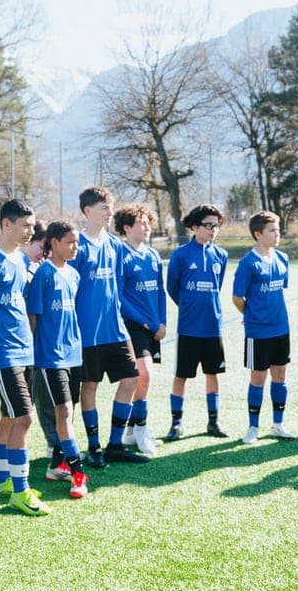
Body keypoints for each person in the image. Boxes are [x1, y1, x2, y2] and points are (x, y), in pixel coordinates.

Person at [0, 198, 51, 516]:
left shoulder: (19, 259)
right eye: (26, 225)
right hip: (2, 352)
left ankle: (2, 479)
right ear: (7, 225)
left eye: (32, 225)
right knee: (24, 418)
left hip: (24, 349)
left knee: (9, 415)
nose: (31, 231)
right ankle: (20, 491)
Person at [69, 186, 148, 468]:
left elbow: (115, 287)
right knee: (89, 386)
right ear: (88, 211)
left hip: (115, 330)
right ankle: (94, 447)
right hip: (86, 333)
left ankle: (115, 445)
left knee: (130, 379)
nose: (110, 212)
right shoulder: (75, 244)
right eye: (104, 207)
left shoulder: (114, 244)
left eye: (110, 207)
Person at [26, 220, 89, 499]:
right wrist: (36, 352)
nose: (76, 247)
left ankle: (56, 465)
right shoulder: (43, 275)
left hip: (73, 353)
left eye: (77, 242)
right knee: (63, 411)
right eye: (70, 242)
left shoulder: (73, 275)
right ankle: (77, 473)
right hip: (50, 357)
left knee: (69, 411)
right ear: (53, 243)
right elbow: (33, 317)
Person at [164, 204, 229, 440]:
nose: (213, 230)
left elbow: (217, 285)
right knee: (182, 375)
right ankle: (176, 423)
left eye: (216, 225)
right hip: (189, 327)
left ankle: (213, 421)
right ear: (194, 226)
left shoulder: (221, 254)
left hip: (213, 326)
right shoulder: (181, 254)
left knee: (213, 374)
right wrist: (189, 305)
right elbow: (172, 287)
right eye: (208, 225)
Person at [232, 211, 294, 443]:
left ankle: (278, 424)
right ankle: (253, 427)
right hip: (257, 332)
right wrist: (250, 315)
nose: (277, 234)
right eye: (272, 230)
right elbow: (237, 297)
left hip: (281, 328)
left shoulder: (282, 259)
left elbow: (279, 292)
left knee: (280, 375)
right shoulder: (248, 263)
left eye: (278, 230)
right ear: (258, 234)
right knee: (258, 377)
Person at [114, 203, 166, 455]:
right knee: (143, 375)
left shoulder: (153, 255)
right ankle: (141, 430)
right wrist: (145, 322)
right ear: (127, 227)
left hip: (153, 327)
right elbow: (119, 297)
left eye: (148, 223)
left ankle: (132, 431)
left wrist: (162, 322)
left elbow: (160, 292)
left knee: (144, 379)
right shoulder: (120, 254)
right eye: (141, 223)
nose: (146, 228)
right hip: (133, 325)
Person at [22, 220, 61, 465]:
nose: (44, 253)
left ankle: (54, 444)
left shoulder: (39, 269)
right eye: (41, 246)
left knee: (48, 397)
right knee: (28, 403)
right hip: (21, 347)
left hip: (41, 344)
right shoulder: (18, 266)